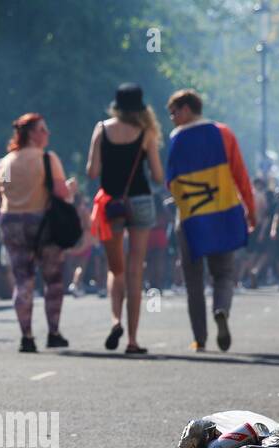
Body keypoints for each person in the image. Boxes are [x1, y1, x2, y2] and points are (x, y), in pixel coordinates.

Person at [164, 88, 255, 352]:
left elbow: (171, 182)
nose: (171, 118)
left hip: (191, 218)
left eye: (174, 112)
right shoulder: (223, 133)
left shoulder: (177, 139)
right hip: (223, 214)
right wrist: (250, 209)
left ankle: (200, 338)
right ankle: (221, 310)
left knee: (193, 279)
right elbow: (240, 174)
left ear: (187, 109)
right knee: (223, 274)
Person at [87, 83, 164, 354]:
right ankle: (132, 340)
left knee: (115, 269)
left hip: (111, 203)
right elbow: (157, 175)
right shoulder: (146, 133)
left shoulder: (101, 129)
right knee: (135, 269)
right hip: (141, 200)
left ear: (116, 105)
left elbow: (92, 171)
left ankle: (115, 320)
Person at [0, 112, 71, 352]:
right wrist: (70, 189)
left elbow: (2, 191)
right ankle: (53, 331)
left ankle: (26, 336)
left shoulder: (5, 162)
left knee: (23, 279)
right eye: (42, 129)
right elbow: (61, 193)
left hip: (11, 222)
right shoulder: (48, 159)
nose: (47, 134)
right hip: (41, 221)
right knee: (53, 279)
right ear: (31, 134)